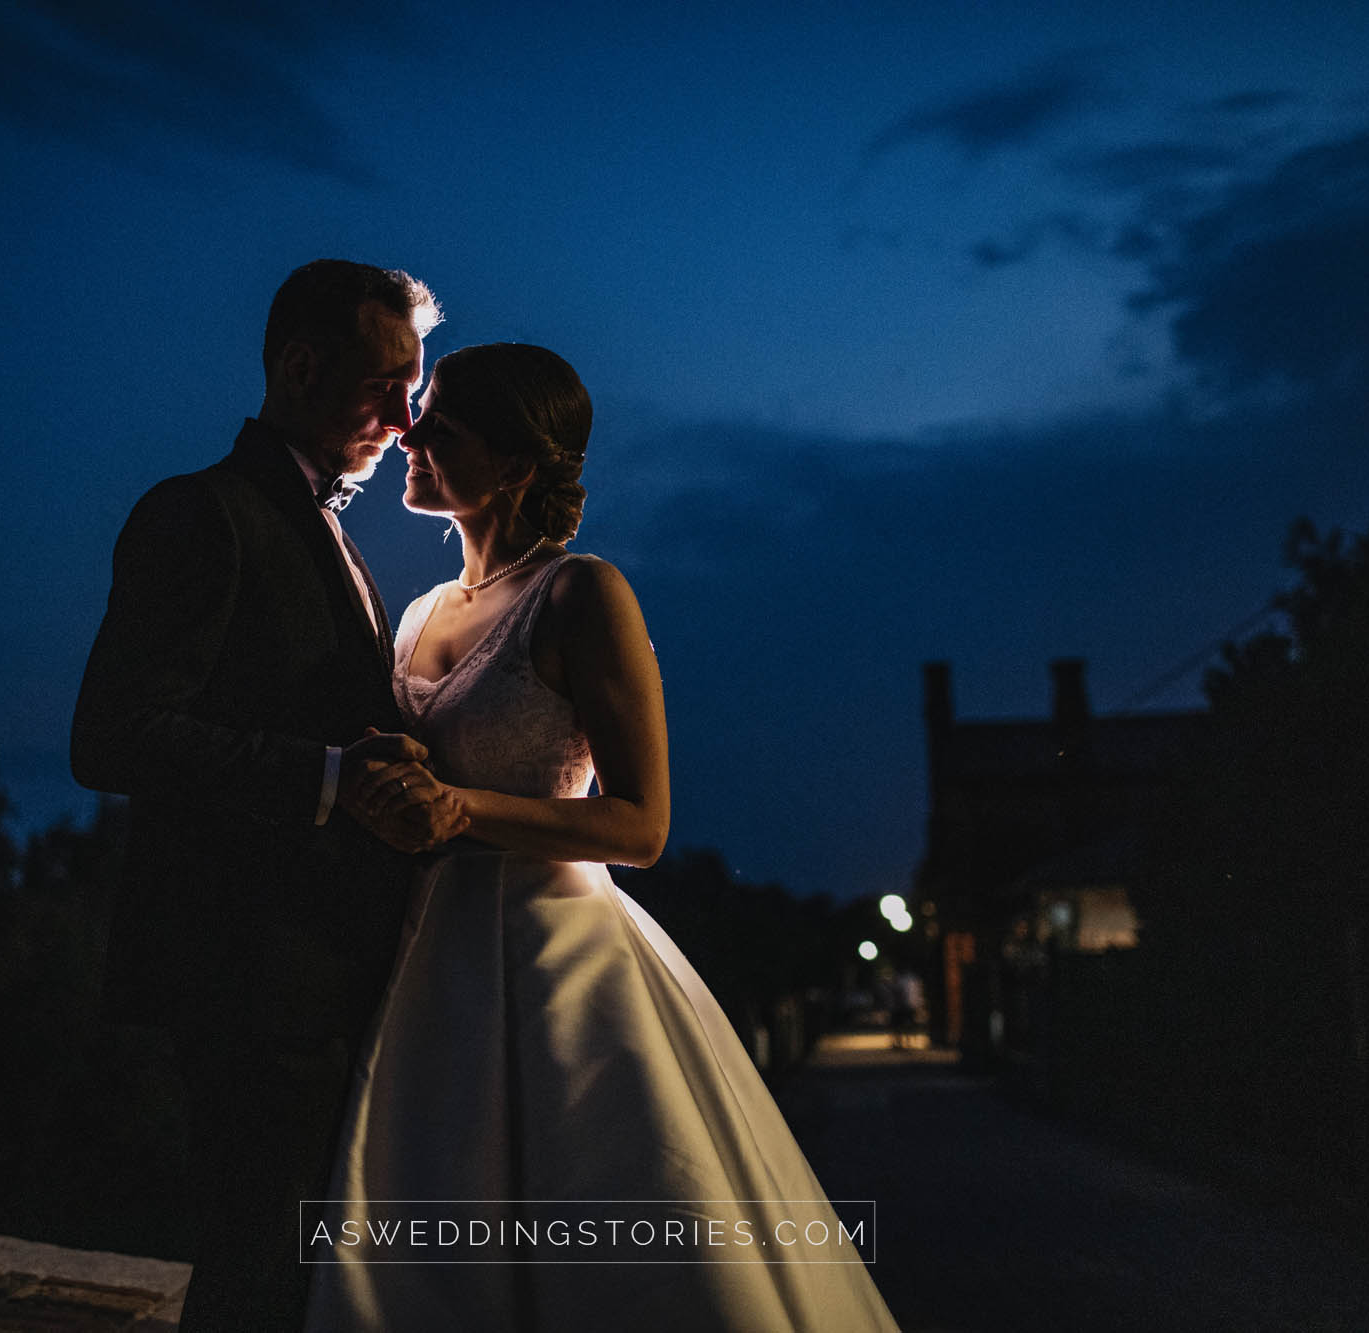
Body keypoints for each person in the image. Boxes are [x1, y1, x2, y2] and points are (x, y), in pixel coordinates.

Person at [303, 343, 900, 1330]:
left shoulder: (583, 594)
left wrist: (463, 810)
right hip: (424, 964)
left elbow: (642, 824)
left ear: (517, 464)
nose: (411, 430)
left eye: (442, 421)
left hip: (555, 956)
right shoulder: (411, 616)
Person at [70, 259, 467, 1330]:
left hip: (318, 974)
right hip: (243, 972)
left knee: (292, 1274)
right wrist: (333, 779)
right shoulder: (201, 513)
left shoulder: (332, 531)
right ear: (299, 365)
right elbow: (111, 736)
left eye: (413, 388)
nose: (405, 415)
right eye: (387, 384)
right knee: (256, 1264)